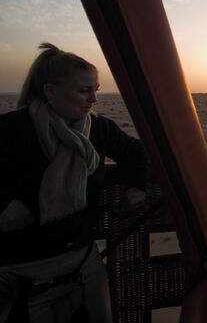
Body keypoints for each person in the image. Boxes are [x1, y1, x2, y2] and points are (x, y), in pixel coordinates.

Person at [0, 43, 150, 323]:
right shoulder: (12, 129)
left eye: (95, 89)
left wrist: (136, 186)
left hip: (84, 264)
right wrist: (4, 203)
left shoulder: (99, 129)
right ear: (50, 91)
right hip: (22, 274)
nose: (93, 98)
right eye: (83, 90)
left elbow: (135, 151)